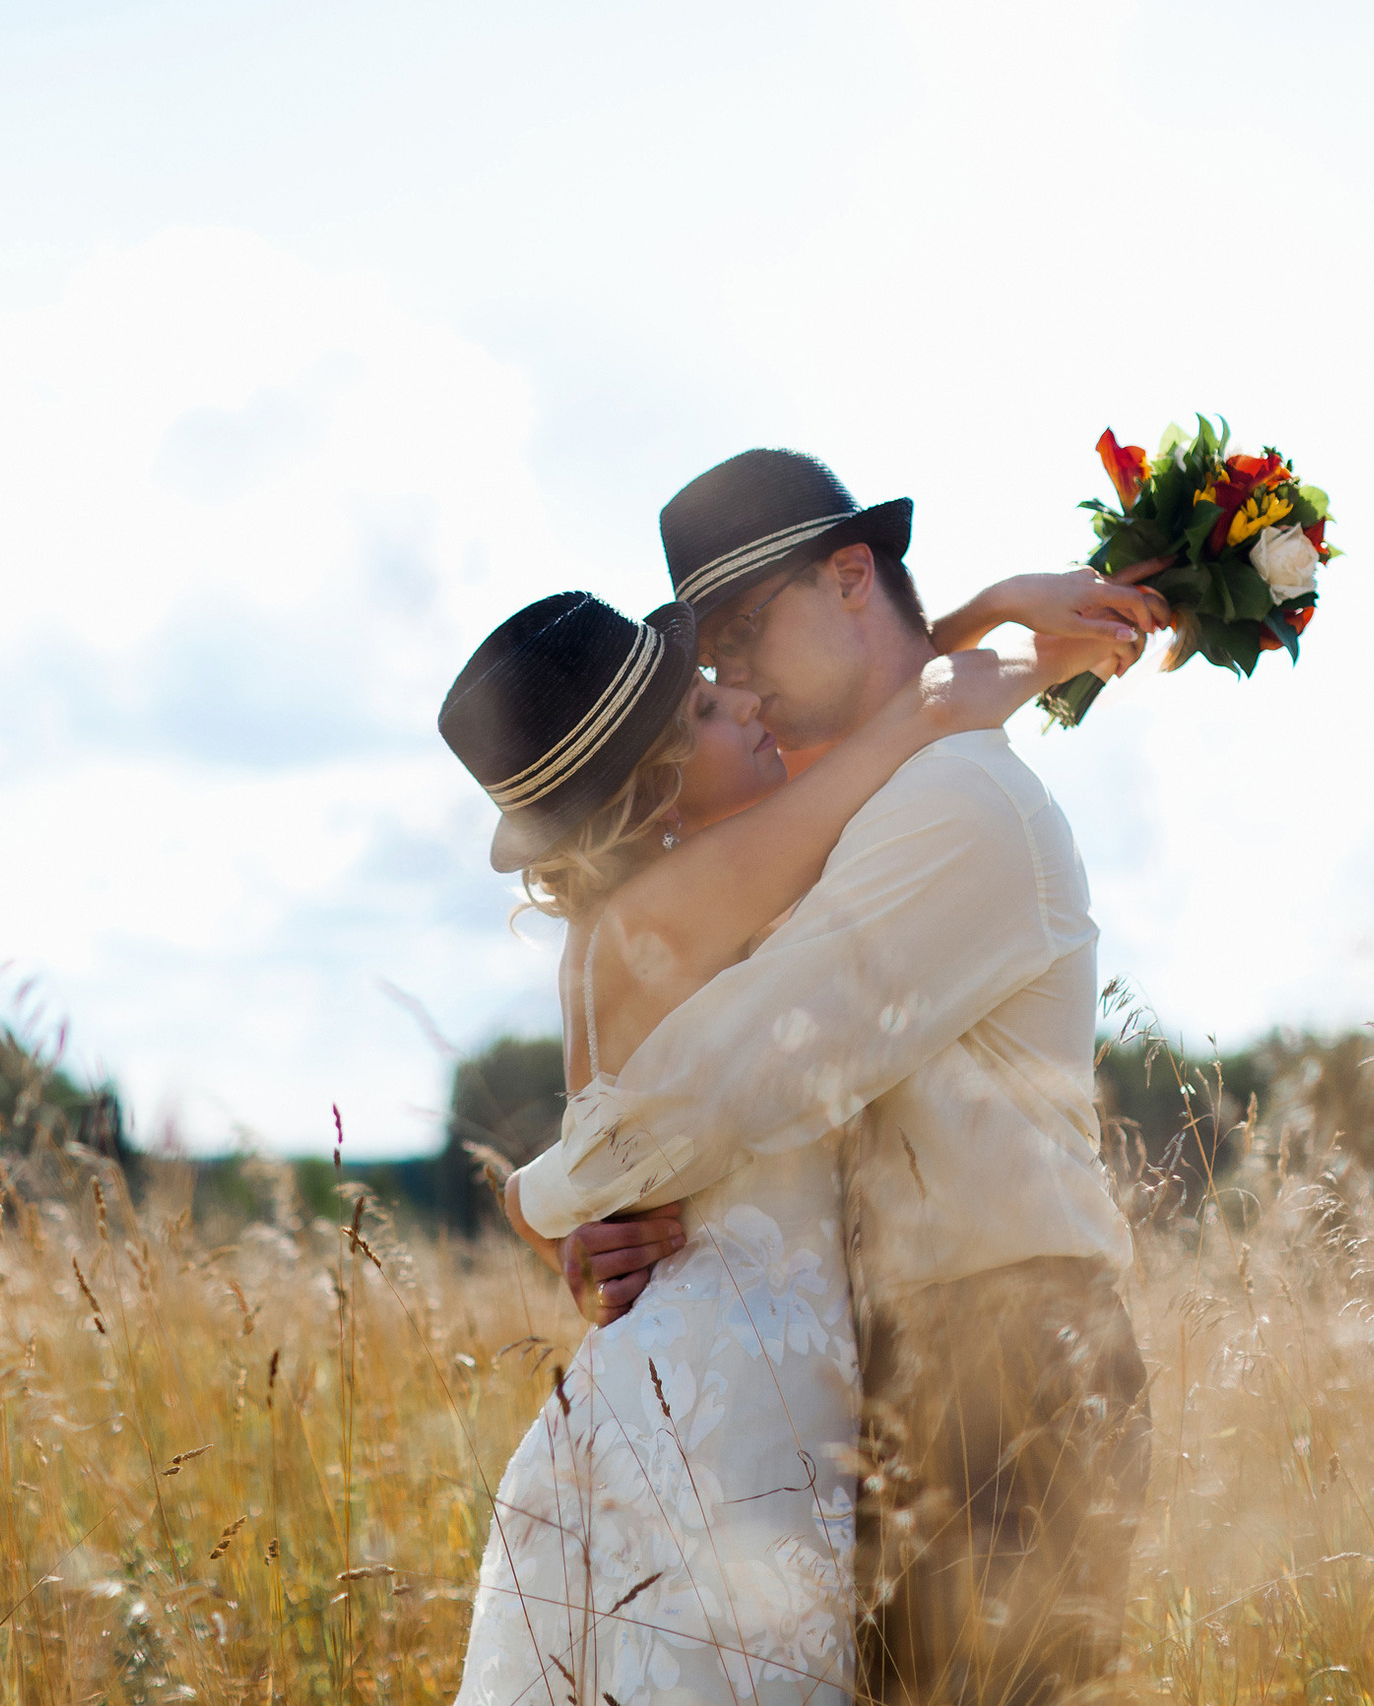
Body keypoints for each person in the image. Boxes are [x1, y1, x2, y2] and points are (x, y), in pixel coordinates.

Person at [441, 544, 1157, 1704]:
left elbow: (856, 720)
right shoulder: (686, 899)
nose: (753, 702)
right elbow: (890, 733)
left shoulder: (663, 901)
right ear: (661, 786)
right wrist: (989, 653)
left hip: (734, 1380)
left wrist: (992, 615)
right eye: (713, 706)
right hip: (737, 1398)